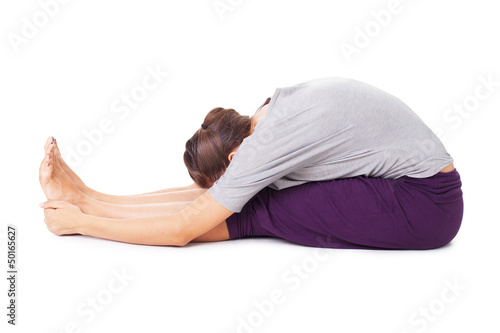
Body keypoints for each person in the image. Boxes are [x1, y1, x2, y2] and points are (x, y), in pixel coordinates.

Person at [39, 77, 463, 249]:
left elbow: (184, 228)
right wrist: (90, 197)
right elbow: (202, 198)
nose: (232, 184)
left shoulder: (265, 143)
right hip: (418, 186)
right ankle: (91, 196)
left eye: (231, 174)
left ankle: (89, 207)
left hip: (425, 206)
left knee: (257, 207)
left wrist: (83, 225)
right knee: (242, 196)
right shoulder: (268, 111)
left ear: (237, 155)